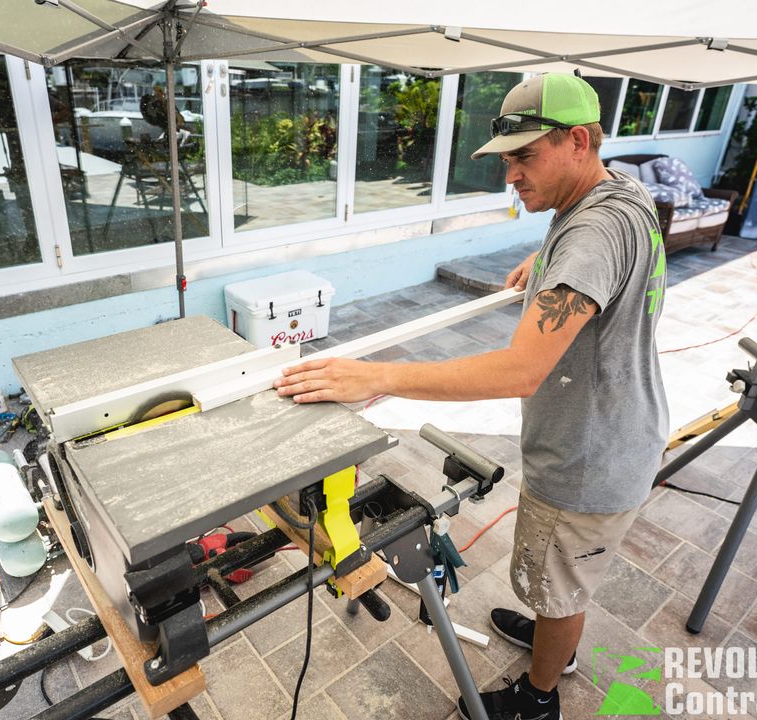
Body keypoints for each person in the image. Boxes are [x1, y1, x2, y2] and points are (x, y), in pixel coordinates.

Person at [273, 73, 669, 720]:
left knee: (560, 587)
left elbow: (519, 370)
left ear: (576, 140)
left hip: (588, 456)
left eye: (525, 157)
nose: (510, 175)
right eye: (507, 158)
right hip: (619, 430)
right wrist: (545, 270)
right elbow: (587, 255)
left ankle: (540, 694)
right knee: (559, 580)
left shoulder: (590, 236)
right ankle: (554, 641)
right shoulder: (617, 192)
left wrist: (378, 376)